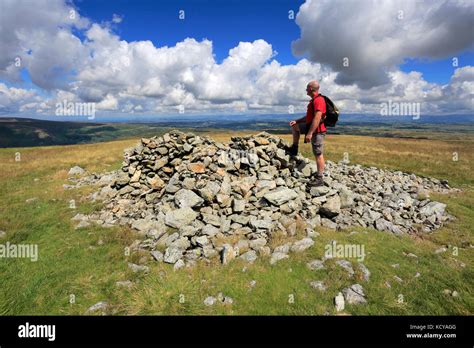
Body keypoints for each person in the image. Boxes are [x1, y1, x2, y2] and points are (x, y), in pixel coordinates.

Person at [289, 80, 327, 186]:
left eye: (307, 88)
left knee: (318, 154)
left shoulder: (319, 100)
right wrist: (297, 121)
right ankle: (294, 148)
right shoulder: (313, 101)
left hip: (317, 131)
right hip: (312, 128)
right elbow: (309, 117)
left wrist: (310, 133)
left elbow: (317, 117)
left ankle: (320, 178)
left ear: (311, 89)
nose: (306, 90)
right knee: (294, 126)